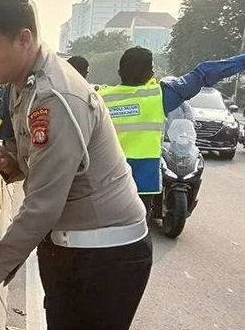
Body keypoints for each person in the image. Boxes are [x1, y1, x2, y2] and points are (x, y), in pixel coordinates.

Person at [0, 0, 151, 330]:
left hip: (104, 258)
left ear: (24, 39)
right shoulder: (21, 84)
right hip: (70, 247)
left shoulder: (55, 97)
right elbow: (43, 161)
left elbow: (42, 207)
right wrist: (9, 159)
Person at [98, 46, 245, 208]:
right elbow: (203, 73)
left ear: (119, 72)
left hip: (105, 180)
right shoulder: (160, 96)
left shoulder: (99, 98)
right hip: (142, 181)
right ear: (151, 74)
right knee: (137, 229)